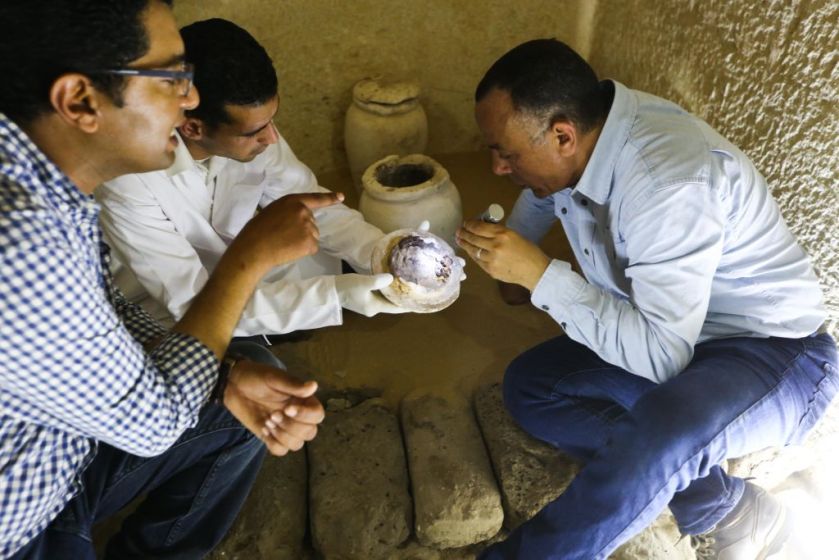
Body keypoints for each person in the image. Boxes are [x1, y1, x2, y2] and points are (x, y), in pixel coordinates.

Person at [456, 38, 838, 560]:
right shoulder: (593, 132)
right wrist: (510, 250)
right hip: (680, 335)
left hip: (776, 355)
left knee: (664, 427)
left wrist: (539, 275)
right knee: (532, 385)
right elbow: (545, 191)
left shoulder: (666, 183)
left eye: (507, 153)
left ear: (562, 135)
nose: (498, 167)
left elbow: (662, 358)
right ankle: (728, 508)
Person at [0, 1, 343, 558]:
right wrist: (248, 259)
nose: (189, 98)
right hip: (24, 523)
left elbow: (106, 311)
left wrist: (226, 375)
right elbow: (155, 423)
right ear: (80, 100)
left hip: (63, 446)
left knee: (240, 394)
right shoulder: (22, 242)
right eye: (172, 78)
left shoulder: (41, 185)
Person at [97, 18, 411, 341]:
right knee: (241, 357)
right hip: (168, 303)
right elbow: (191, 302)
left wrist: (385, 253)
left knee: (327, 269)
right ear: (192, 127)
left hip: (242, 264)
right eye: (255, 131)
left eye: (271, 120)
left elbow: (310, 202)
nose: (272, 138)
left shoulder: (251, 129)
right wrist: (335, 296)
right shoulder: (127, 179)